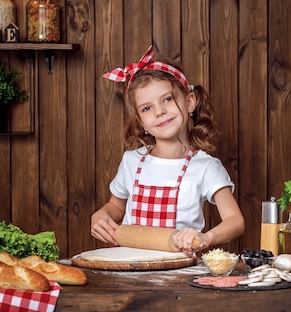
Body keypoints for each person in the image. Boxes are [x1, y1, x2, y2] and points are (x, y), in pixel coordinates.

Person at [90, 45, 245, 255]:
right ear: (141, 122)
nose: (160, 111)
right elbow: (116, 207)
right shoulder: (131, 161)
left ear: (190, 102)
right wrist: (100, 215)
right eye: (147, 108)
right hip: (129, 267)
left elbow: (235, 221)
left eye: (167, 99)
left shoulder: (205, 167)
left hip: (179, 273)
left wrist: (205, 237)